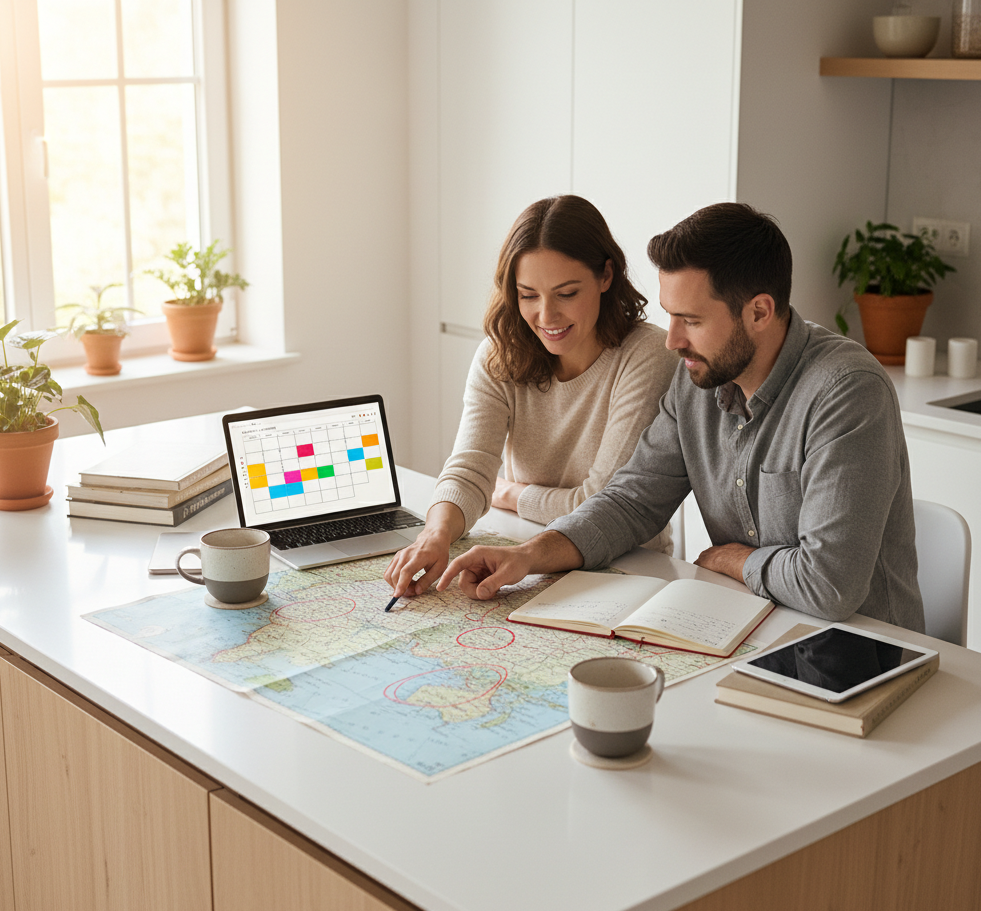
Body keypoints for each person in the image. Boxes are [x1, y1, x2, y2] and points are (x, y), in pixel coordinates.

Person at [437, 202, 925, 632]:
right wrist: (527, 557)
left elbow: (828, 587)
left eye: (690, 320)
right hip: (755, 623)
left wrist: (736, 558)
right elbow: (630, 502)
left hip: (863, 649)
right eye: (670, 316)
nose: (672, 341)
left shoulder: (847, 392)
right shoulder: (700, 379)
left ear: (759, 311)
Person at [384, 195, 679, 599]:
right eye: (528, 295)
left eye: (567, 293)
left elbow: (599, 504)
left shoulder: (647, 355)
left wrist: (509, 493)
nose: (546, 316)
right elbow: (471, 470)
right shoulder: (498, 354)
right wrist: (435, 535)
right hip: (525, 554)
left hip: (626, 569)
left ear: (606, 276)